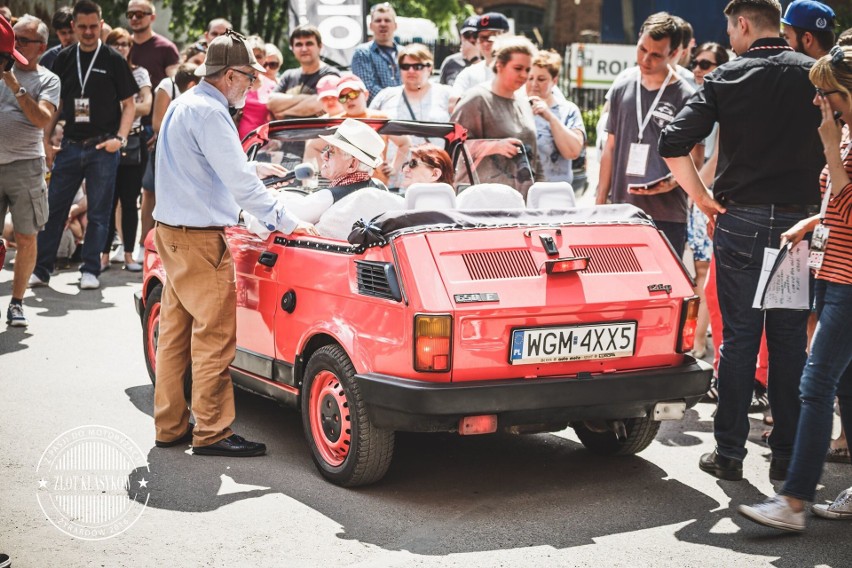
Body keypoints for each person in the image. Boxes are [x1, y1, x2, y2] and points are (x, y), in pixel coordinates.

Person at [660, 0, 825, 483]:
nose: (730, 37)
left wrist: (703, 198)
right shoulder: (813, 74)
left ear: (744, 24)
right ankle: (787, 452)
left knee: (739, 340)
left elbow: (672, 141)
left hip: (742, 220)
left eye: (731, 28)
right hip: (798, 223)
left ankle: (729, 452)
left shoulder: (727, 77)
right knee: (790, 340)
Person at [152, 30, 316, 456]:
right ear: (228, 75)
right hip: (200, 240)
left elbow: (210, 172)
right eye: (248, 77)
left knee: (174, 336)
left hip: (173, 232)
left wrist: (248, 175)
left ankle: (170, 425)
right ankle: (213, 432)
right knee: (214, 338)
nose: (252, 84)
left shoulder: (187, 102)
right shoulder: (211, 112)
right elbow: (242, 187)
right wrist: (289, 220)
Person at [738, 45, 852, 531]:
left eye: (825, 92)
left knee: (815, 383)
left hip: (850, 279)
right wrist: (811, 220)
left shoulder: (840, 135)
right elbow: (837, 201)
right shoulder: (847, 132)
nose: (818, 101)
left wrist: (829, 145)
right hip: (834, 270)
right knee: (845, 384)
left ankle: (795, 501)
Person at [30, 0, 138, 292]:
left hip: (103, 147)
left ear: (101, 25)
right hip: (70, 145)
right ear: (74, 27)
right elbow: (57, 104)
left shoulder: (114, 59)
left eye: (93, 26)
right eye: (82, 27)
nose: (88, 32)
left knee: (100, 213)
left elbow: (129, 105)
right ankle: (42, 269)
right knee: (53, 209)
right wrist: (45, 141)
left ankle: (90, 269)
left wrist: (121, 139)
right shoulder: (64, 58)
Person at [0, 14, 60, 326]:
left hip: (26, 168)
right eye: (14, 39)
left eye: (22, 41)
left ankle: (17, 302)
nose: (15, 46)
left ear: (41, 47)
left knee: (26, 237)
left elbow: (42, 120)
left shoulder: (48, 80)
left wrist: (13, 82)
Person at [450, 34, 542, 198]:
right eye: (518, 68)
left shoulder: (523, 102)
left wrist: (540, 192)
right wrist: (493, 146)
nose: (524, 75)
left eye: (528, 69)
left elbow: (534, 156)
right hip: (483, 200)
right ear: (499, 65)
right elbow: (452, 148)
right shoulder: (477, 98)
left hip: (521, 199)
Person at [687, 42, 729, 361]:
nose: (698, 69)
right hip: (700, 192)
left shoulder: (724, 101)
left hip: (710, 194)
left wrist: (697, 191)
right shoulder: (699, 98)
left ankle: (700, 342)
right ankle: (699, 340)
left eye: (706, 63)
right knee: (701, 273)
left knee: (706, 274)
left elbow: (717, 157)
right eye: (695, 63)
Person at [100, 27, 151, 272]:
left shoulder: (140, 73)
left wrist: (121, 107)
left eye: (125, 43)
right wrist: (130, 106)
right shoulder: (101, 71)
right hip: (105, 141)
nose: (121, 47)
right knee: (106, 201)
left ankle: (129, 255)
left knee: (129, 201)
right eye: (115, 43)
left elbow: (147, 105)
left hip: (132, 142)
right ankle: (103, 255)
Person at [136, 62, 197, 261]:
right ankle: (144, 244)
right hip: (164, 151)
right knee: (151, 195)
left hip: (187, 155)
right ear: (191, 85)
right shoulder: (167, 85)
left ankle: (169, 248)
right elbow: (157, 124)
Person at [304, 73, 409, 186]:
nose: (349, 100)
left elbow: (405, 143)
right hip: (343, 186)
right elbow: (312, 147)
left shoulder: (380, 118)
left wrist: (394, 167)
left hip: (376, 184)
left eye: (353, 94)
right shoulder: (337, 121)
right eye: (343, 97)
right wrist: (326, 173)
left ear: (366, 94)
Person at [369, 43, 458, 144]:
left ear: (430, 67)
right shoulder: (385, 95)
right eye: (405, 66)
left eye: (417, 66)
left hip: (435, 159)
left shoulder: (448, 94)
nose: (411, 71)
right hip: (394, 160)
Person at [525, 49, 585, 184]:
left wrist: (550, 117)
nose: (534, 84)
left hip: (554, 192)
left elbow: (573, 152)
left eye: (541, 79)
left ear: (554, 81)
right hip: (522, 191)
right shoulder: (516, 107)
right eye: (530, 78)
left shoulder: (568, 110)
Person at [267, 24, 340, 119]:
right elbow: (271, 102)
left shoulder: (330, 74)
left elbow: (319, 104)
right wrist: (308, 100)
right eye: (298, 44)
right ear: (292, 49)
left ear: (320, 46)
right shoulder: (288, 76)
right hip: (287, 133)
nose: (304, 49)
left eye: (309, 43)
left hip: (319, 132)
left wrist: (285, 112)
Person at [350, 3, 400, 104]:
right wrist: (400, 101)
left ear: (395, 26)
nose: (383, 24)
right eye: (378, 20)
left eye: (387, 20)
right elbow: (367, 88)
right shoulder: (362, 53)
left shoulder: (405, 53)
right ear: (371, 26)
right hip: (377, 115)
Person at [452, 12, 510, 94]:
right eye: (482, 38)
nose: (486, 43)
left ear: (506, 36)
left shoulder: (520, 69)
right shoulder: (468, 73)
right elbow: (454, 103)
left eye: (492, 37)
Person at [236, 35, 275, 138]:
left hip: (262, 144)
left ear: (265, 59)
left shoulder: (272, 86)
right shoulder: (234, 84)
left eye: (258, 56)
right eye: (250, 55)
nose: (254, 60)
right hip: (236, 143)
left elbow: (277, 118)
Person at [439, 15, 480, 86]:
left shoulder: (488, 62)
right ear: (462, 37)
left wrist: (475, 59)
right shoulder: (450, 62)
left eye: (475, 35)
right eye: (467, 35)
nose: (471, 39)